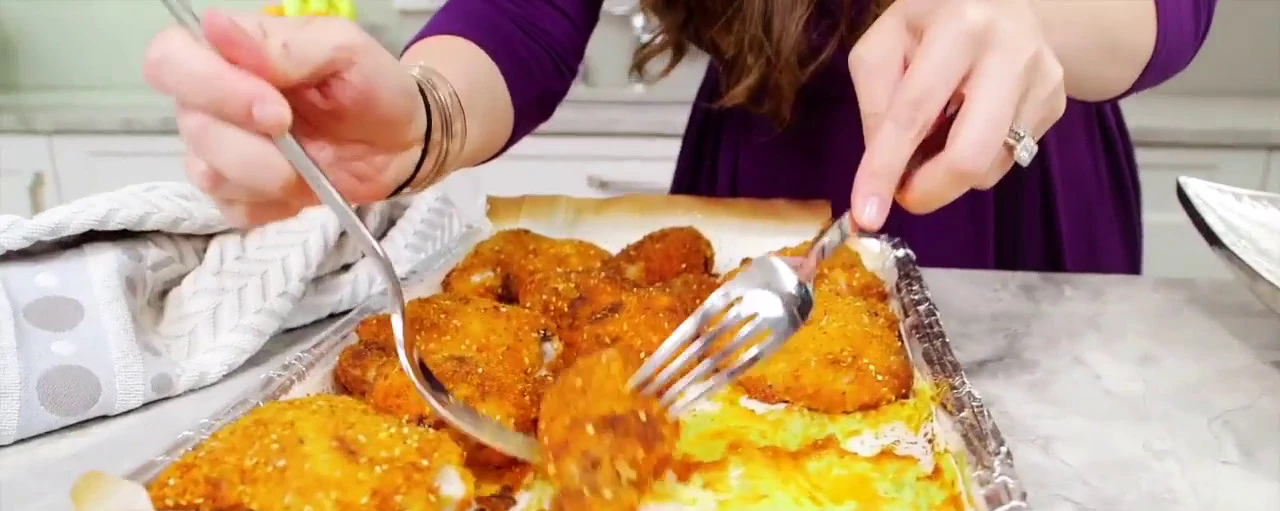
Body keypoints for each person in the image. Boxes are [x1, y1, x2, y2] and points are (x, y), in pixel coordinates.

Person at [143, 0, 1217, 274]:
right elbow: (524, 15)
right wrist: (418, 119)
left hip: (1025, 189)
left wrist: (1030, 16)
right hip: (748, 200)